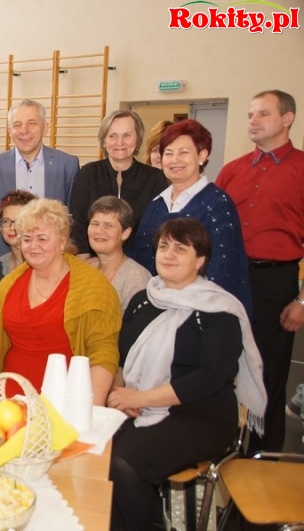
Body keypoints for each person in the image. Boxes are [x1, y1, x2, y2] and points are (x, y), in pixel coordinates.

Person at [107, 218, 266, 530]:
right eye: (163, 246)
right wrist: (119, 395)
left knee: (122, 461)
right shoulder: (144, 300)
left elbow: (210, 377)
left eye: (180, 249)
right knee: (91, 449)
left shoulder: (218, 309)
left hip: (200, 414)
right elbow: (123, 357)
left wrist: (140, 398)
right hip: (138, 404)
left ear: (200, 260)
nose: (168, 254)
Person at [216, 89, 304, 452]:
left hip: (275, 282)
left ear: (287, 118)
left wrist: (302, 300)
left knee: (269, 372)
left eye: (263, 114)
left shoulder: (301, 170)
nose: (253, 120)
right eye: (250, 114)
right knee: (221, 364)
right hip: (228, 279)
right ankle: (221, 447)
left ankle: (263, 457)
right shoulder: (232, 170)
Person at [0, 198, 121, 404]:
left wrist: (87, 409)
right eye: (27, 239)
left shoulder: (94, 288)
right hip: (8, 401)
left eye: (42, 238)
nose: (33, 246)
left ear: (62, 241)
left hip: (64, 403)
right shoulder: (8, 285)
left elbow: (103, 353)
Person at [130, 119, 252, 311]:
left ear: (202, 155)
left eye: (183, 152)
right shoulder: (156, 204)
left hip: (201, 311)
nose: (174, 160)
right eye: (168, 153)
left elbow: (223, 271)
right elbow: (142, 259)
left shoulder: (218, 204)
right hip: (157, 305)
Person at [0, 99, 80, 258]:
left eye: (31, 123)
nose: (24, 130)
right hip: (4, 263)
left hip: (52, 260)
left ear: (45, 128)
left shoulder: (67, 166)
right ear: (9, 130)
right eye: (17, 125)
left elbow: (73, 222)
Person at [69, 110, 166, 257]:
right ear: (103, 140)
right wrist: (84, 259)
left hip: (141, 262)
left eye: (127, 135)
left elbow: (158, 228)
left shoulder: (155, 178)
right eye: (112, 136)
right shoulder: (88, 174)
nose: (120, 142)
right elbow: (77, 222)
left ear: (138, 139)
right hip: (92, 261)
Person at [87, 196, 151, 313]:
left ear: (125, 233)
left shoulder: (136, 278)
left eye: (108, 225)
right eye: (95, 224)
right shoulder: (87, 270)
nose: (99, 230)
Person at [0, 190, 36, 286]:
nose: (12, 228)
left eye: (19, 221)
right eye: (6, 221)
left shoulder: (43, 266)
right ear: (0, 228)